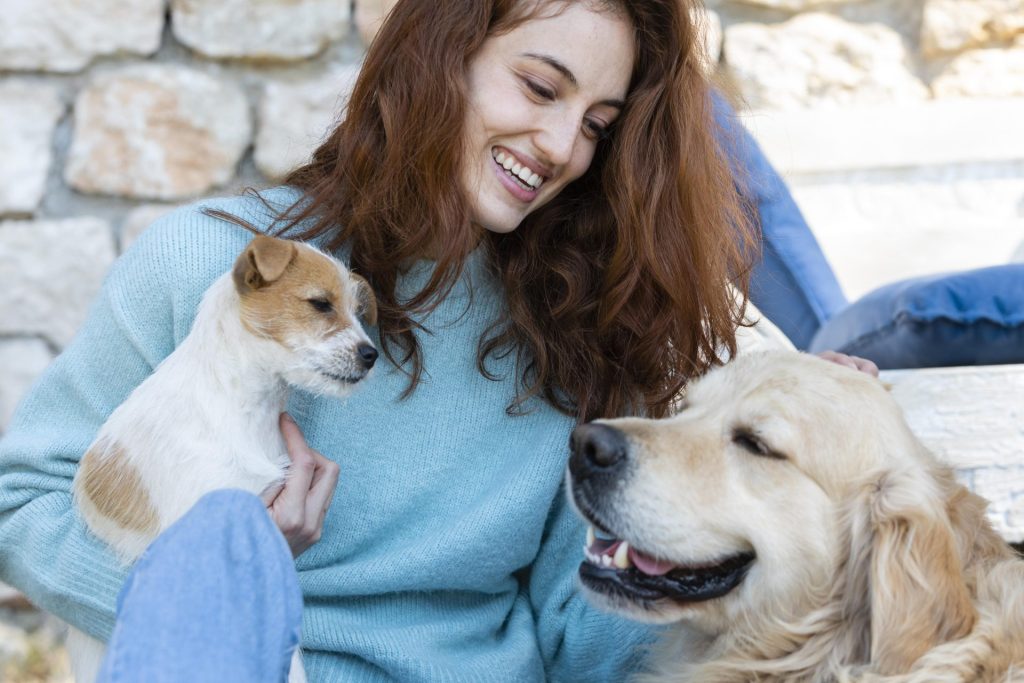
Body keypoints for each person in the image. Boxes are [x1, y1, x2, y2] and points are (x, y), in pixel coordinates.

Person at [0, 0, 875, 680]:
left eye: (599, 124)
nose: (563, 145)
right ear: (442, 56)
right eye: (539, 87)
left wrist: (788, 474)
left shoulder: (585, 334)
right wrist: (218, 587)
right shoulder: (212, 266)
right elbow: (21, 498)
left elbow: (586, 644)